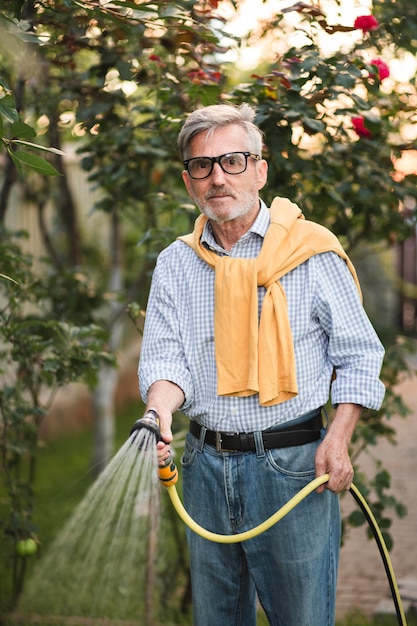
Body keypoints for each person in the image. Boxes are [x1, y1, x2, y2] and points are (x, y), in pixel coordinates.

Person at [138, 103, 385, 626]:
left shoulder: (311, 252)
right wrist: (158, 412)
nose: (218, 177)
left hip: (293, 468)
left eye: (232, 161)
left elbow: (360, 356)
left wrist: (337, 439)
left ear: (260, 170)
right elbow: (166, 359)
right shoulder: (176, 263)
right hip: (203, 467)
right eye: (202, 166)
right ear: (188, 181)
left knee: (301, 618)